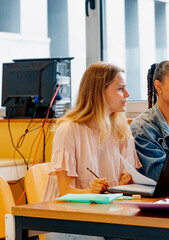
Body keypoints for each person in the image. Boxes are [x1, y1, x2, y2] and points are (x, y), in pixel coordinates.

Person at [42, 62, 141, 240]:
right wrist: (91, 191)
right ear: (99, 93)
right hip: (65, 218)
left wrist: (123, 185)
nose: (128, 94)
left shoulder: (122, 131)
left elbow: (124, 187)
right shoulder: (69, 129)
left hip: (106, 215)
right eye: (120, 89)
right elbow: (66, 193)